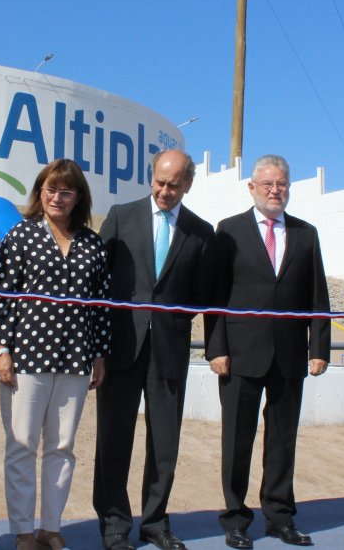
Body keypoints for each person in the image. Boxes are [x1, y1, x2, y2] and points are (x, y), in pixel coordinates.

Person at [0, 159, 110, 550]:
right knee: (22, 444)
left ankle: (51, 528)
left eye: (66, 191)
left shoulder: (92, 244)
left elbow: (101, 305)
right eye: (51, 189)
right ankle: (23, 530)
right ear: (40, 192)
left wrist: (99, 354)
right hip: (26, 358)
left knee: (62, 447)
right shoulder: (21, 236)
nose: (57, 198)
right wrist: (1, 350)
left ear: (78, 197)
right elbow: (0, 298)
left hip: (75, 359)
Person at [205, 154, 331, 550]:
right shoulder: (229, 230)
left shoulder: (306, 234)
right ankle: (235, 519)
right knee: (237, 440)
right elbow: (216, 295)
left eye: (282, 184)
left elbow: (318, 295)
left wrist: (319, 347)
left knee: (282, 440)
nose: (275, 191)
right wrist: (217, 348)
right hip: (240, 355)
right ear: (252, 188)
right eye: (268, 184)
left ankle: (279, 517)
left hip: (289, 355)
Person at [93, 149, 215, 550]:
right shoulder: (120, 216)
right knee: (114, 438)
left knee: (165, 443)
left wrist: (173, 322)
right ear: (151, 178)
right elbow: (98, 282)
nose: (165, 191)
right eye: (160, 182)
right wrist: (96, 345)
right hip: (121, 347)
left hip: (169, 351)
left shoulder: (201, 232)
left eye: (174, 185)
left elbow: (202, 295)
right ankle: (114, 523)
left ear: (188, 184)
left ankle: (155, 522)